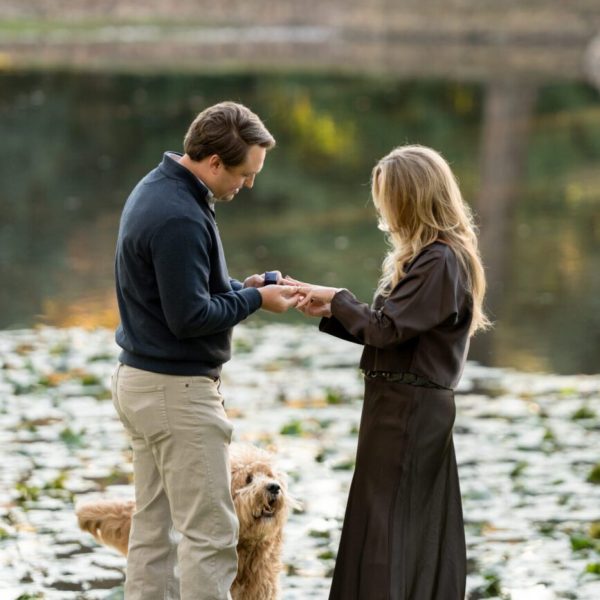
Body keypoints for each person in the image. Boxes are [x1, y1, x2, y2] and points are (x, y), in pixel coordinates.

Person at [111, 101, 298, 600]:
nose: (248, 184)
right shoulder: (179, 217)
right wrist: (256, 299)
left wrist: (244, 288)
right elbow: (189, 318)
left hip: (142, 382)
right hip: (177, 394)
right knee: (211, 537)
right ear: (214, 161)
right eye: (243, 173)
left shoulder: (160, 188)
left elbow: (184, 291)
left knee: (155, 533)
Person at [296, 144, 490, 599]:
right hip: (397, 407)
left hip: (410, 412)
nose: (383, 209)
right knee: (382, 525)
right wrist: (330, 310)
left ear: (412, 197)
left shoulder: (442, 259)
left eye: (388, 196)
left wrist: (339, 296)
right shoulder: (431, 258)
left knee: (390, 529)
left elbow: (387, 330)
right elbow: (394, 337)